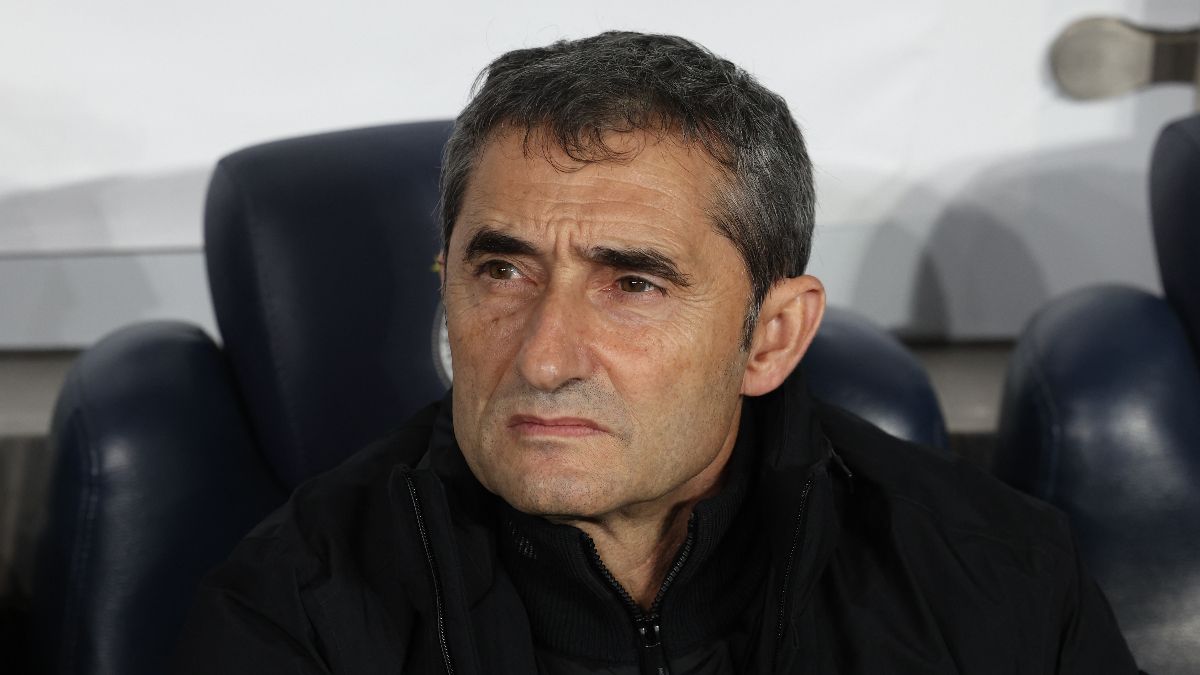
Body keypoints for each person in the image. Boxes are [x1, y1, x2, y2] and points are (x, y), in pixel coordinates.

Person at [175, 31, 1140, 674]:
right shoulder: (295, 611)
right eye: (502, 272)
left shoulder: (996, 580)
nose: (544, 359)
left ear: (771, 336)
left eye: (633, 284)